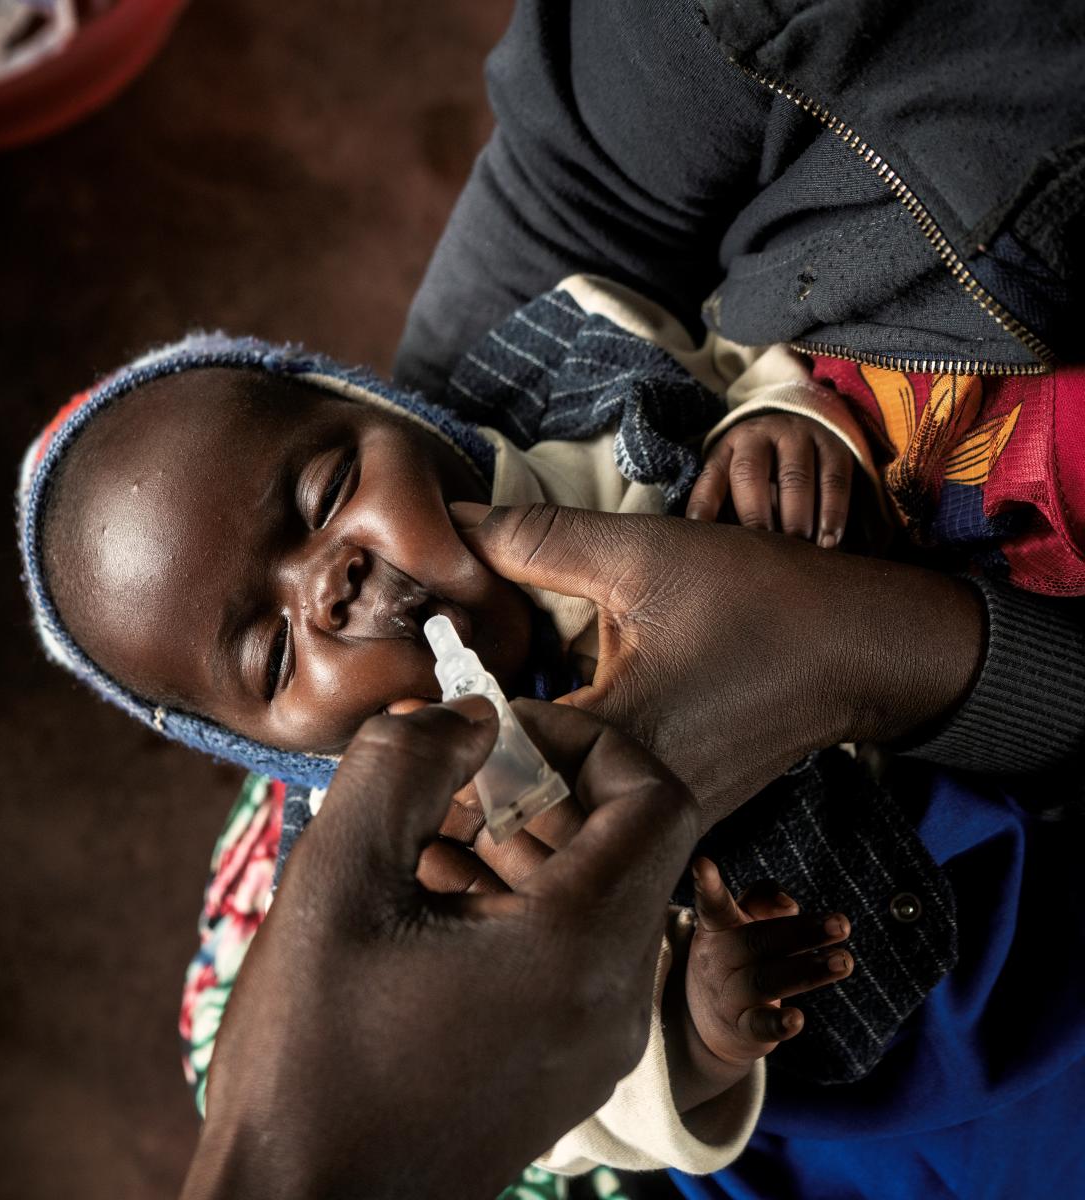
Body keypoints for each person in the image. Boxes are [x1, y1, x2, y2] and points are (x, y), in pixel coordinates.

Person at [385, 2, 1085, 1195]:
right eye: (264, 646)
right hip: (862, 1044)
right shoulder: (404, 849)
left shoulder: (562, 410)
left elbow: (720, 361)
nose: (330, 578)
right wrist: (697, 1036)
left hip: (998, 831)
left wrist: (782, 427)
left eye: (324, 485)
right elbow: (554, 1104)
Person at [175, 696, 767, 1200]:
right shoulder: (352, 923)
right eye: (279, 654)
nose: (335, 583)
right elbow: (565, 1113)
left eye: (352, 549)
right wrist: (701, 1045)